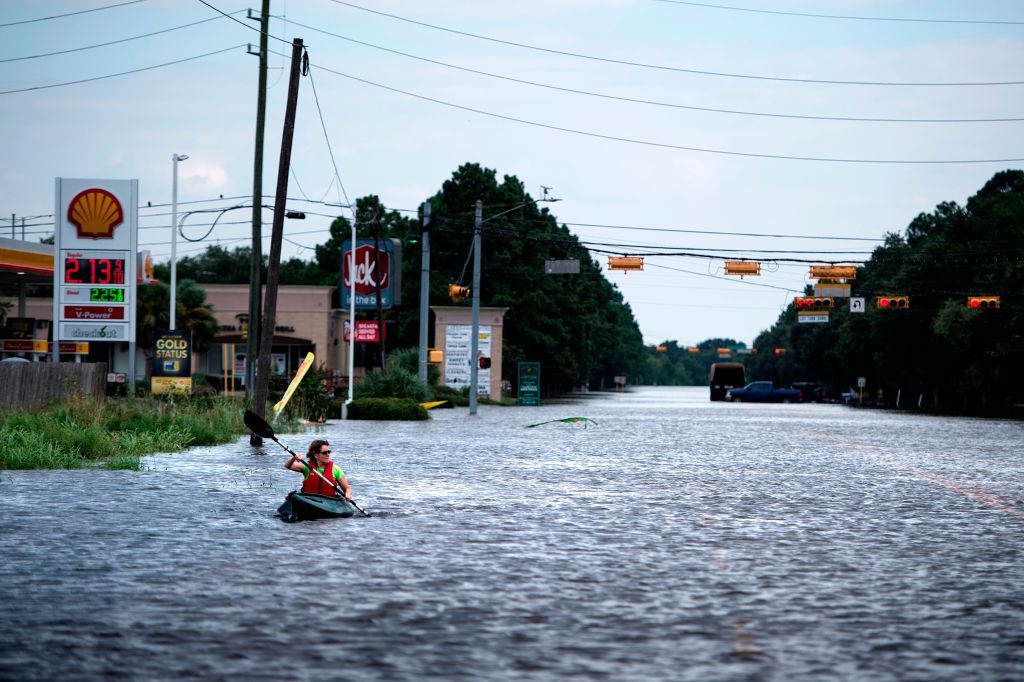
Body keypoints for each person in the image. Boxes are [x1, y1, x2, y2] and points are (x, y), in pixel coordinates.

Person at [284, 439, 352, 500]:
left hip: (329, 502)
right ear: (316, 455)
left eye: (329, 452)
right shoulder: (307, 467)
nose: (328, 454)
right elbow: (287, 466)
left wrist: (348, 494)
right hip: (309, 500)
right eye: (324, 453)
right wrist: (294, 458)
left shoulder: (336, 469)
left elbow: (347, 488)